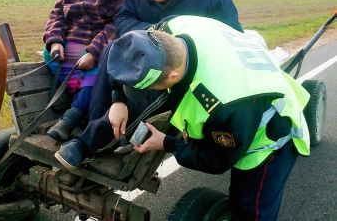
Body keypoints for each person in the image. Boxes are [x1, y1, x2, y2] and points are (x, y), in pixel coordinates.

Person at [54, 0, 243, 167]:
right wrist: (153, 31)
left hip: (178, 72)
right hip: (135, 60)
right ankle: (100, 124)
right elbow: (123, 20)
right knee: (111, 48)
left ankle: (85, 144)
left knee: (146, 94)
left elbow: (233, 37)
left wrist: (170, 36)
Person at [107, 15, 310, 220]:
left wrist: (169, 144)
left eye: (150, 87)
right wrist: (119, 99)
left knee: (251, 207)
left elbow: (217, 159)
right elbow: (130, 54)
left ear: (173, 77)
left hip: (268, 136)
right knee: (238, 195)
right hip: (245, 95)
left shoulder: (222, 103)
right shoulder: (172, 27)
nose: (150, 90)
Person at [43, 0, 129, 143]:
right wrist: (55, 42)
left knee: (100, 73)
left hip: (101, 45)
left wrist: (94, 52)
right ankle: (82, 97)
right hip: (71, 44)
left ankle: (70, 118)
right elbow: (57, 16)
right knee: (50, 56)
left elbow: (118, 24)